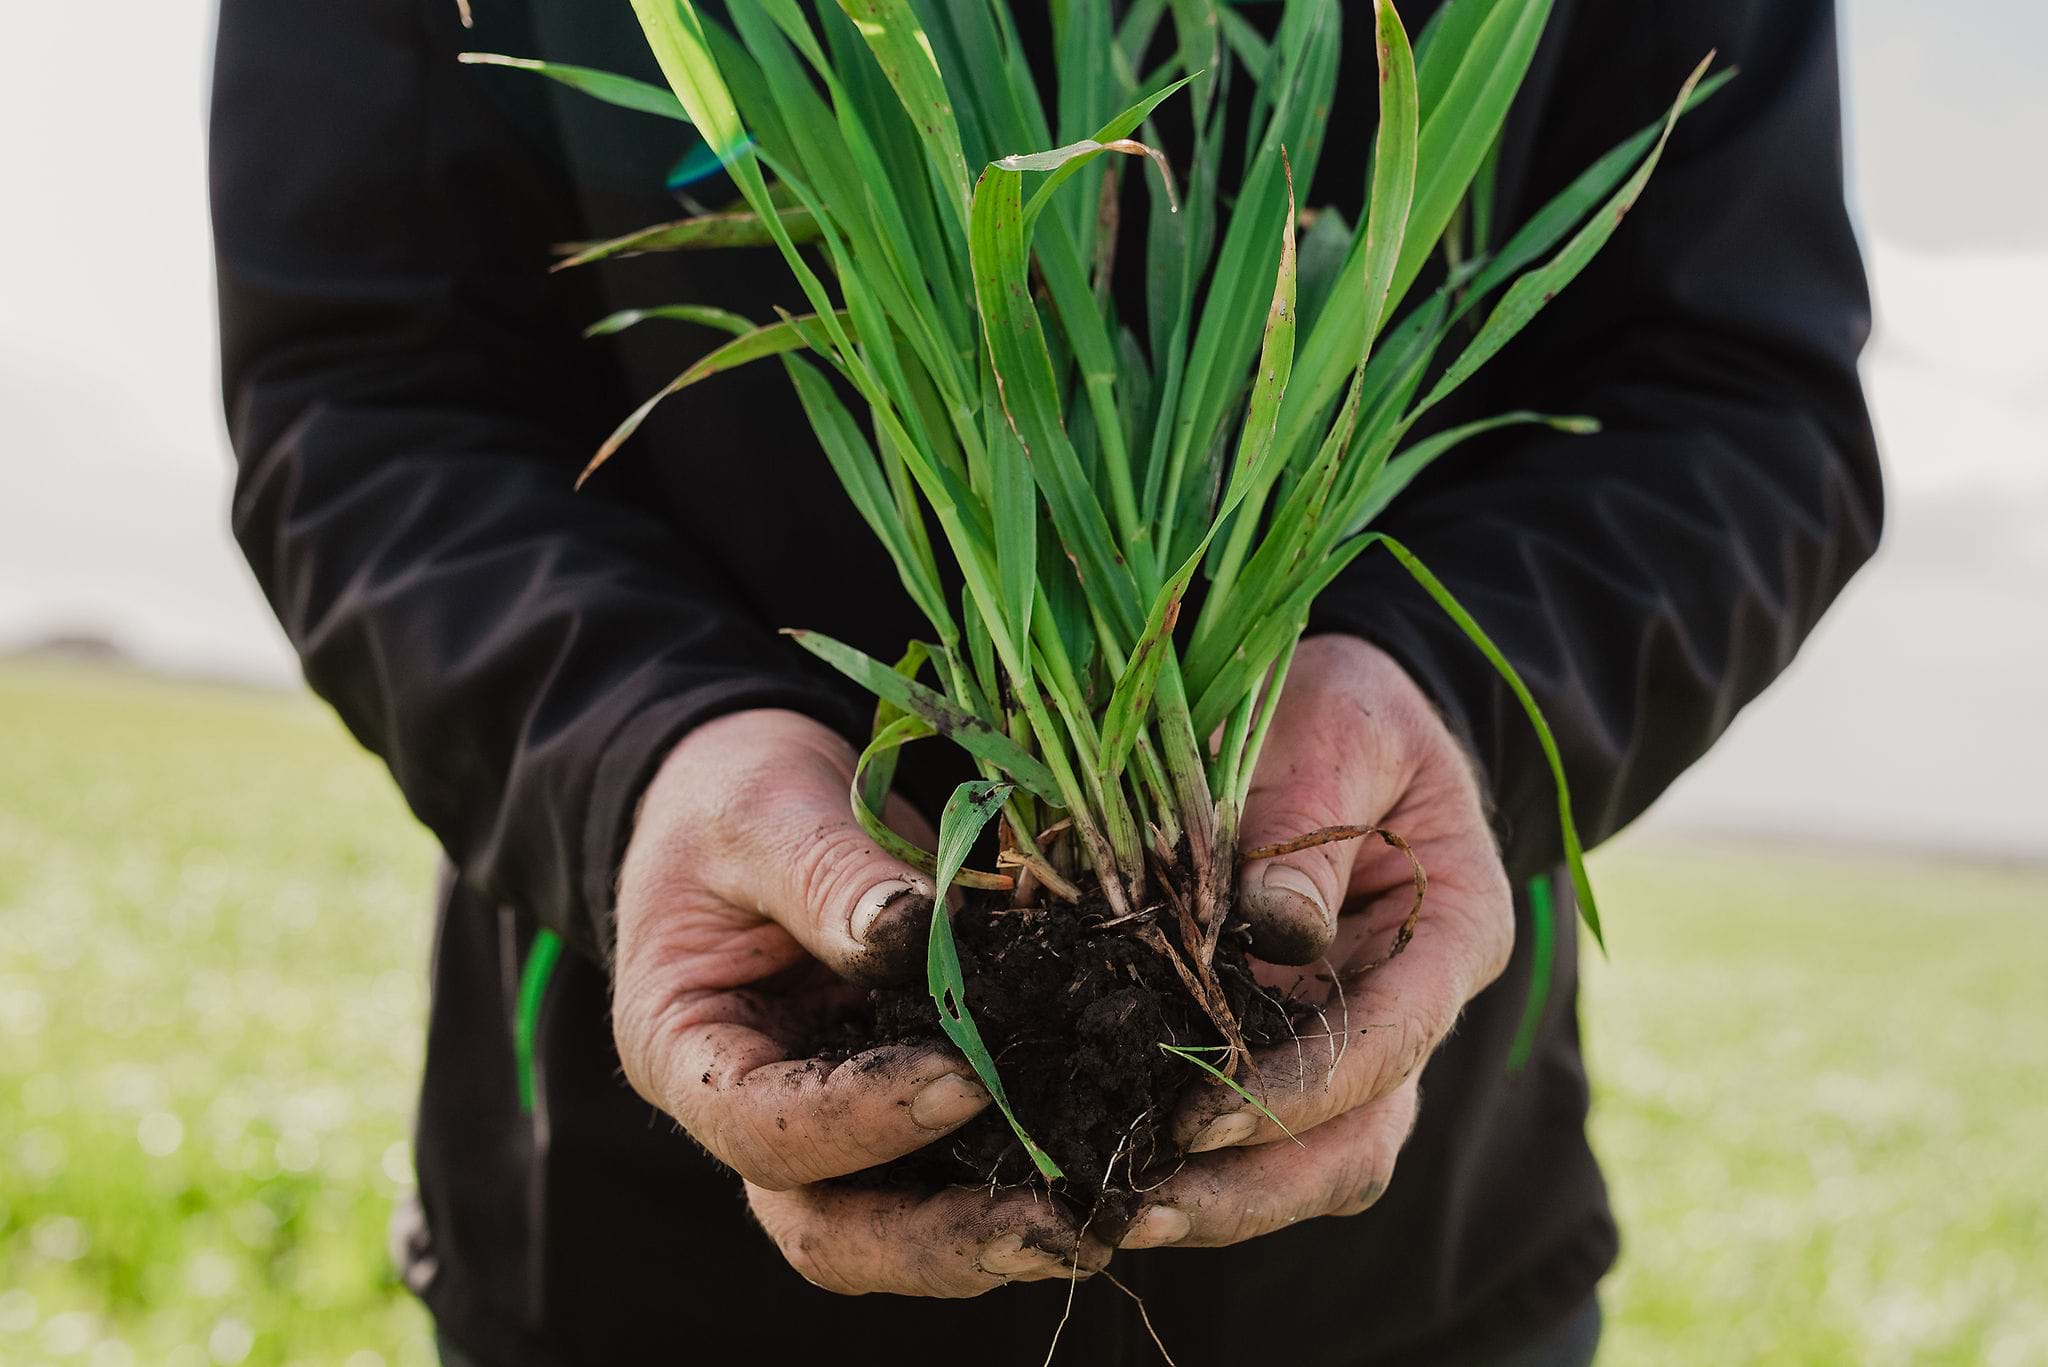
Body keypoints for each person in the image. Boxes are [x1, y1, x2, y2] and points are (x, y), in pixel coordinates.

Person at [209, 0, 1880, 1362]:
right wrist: (635, 753)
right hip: (651, 1254)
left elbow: (1737, 388)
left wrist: (1448, 693)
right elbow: (366, 388)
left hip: (1390, 1274)